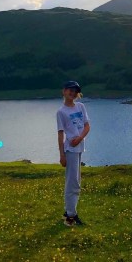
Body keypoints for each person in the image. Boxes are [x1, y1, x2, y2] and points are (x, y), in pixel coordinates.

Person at [56, 80, 90, 226]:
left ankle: (68, 211)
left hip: (79, 147)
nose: (73, 93)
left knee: (76, 180)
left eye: (75, 91)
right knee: (72, 182)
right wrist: (62, 155)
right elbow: (60, 134)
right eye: (70, 90)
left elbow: (87, 126)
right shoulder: (61, 112)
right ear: (64, 91)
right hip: (70, 150)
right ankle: (71, 215)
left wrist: (80, 138)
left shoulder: (80, 106)